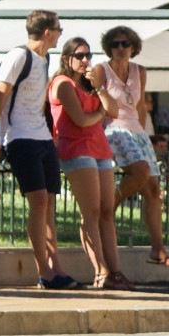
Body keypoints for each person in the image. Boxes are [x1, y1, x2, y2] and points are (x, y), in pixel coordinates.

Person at [0, 10, 82, 289]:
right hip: (18, 137)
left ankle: (56, 268)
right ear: (48, 32)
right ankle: (44, 272)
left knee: (49, 203)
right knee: (39, 201)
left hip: (41, 137)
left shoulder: (45, 58)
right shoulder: (19, 56)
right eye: (59, 29)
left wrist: (47, 134)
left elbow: (36, 99)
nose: (61, 33)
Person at [50, 38, 134, 290]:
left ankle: (116, 272)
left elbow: (115, 111)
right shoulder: (62, 84)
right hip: (76, 149)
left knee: (107, 212)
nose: (85, 60)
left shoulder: (90, 84)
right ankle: (100, 271)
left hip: (99, 149)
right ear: (67, 59)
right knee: (91, 213)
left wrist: (99, 88)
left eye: (88, 55)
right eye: (79, 55)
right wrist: (99, 115)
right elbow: (81, 120)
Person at [97, 26, 169, 270]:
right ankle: (109, 208)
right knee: (141, 171)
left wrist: (145, 134)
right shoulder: (100, 69)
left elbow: (141, 106)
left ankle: (158, 248)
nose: (120, 48)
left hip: (136, 128)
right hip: (112, 126)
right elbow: (97, 101)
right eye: (115, 44)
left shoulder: (140, 71)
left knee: (154, 190)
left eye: (125, 43)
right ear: (109, 47)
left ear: (133, 47)